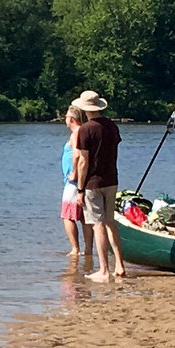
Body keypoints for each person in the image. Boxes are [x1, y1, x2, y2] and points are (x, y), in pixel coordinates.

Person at [69, 90, 124, 283]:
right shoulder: (113, 127)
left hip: (93, 182)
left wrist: (80, 188)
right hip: (112, 179)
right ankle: (119, 265)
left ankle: (103, 270)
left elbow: (83, 162)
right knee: (110, 222)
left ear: (84, 109)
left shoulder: (85, 130)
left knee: (98, 224)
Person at [60, 106, 90, 259]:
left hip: (73, 182)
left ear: (71, 119)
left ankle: (75, 249)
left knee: (68, 215)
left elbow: (77, 155)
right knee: (84, 216)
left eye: (66, 117)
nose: (65, 119)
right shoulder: (83, 131)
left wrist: (74, 173)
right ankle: (88, 250)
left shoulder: (76, 134)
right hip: (80, 181)